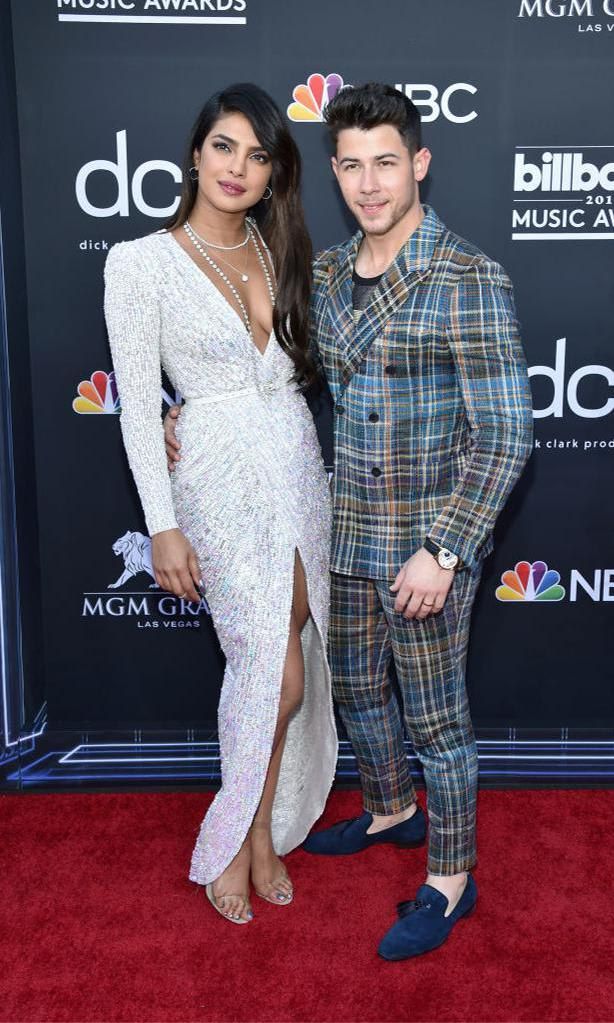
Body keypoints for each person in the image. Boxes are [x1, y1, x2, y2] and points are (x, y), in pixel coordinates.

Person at [165, 82, 533, 958]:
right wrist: (192, 413)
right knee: (361, 693)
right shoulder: (324, 275)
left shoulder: (469, 278)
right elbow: (278, 378)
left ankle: (450, 877)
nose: (371, 185)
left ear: (421, 166)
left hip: (425, 546)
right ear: (333, 171)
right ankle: (390, 807)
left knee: (437, 718)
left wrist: (445, 549)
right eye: (354, 166)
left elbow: (507, 435)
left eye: (388, 164)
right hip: (339, 529)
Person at [104, 83, 337, 926]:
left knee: (294, 667)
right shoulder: (139, 262)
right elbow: (136, 402)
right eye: (225, 146)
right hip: (216, 482)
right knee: (267, 673)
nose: (239, 167)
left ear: (275, 173)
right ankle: (232, 844)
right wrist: (162, 524)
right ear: (196, 154)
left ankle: (268, 832)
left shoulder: (284, 253)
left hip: (300, 472)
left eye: (259, 153)